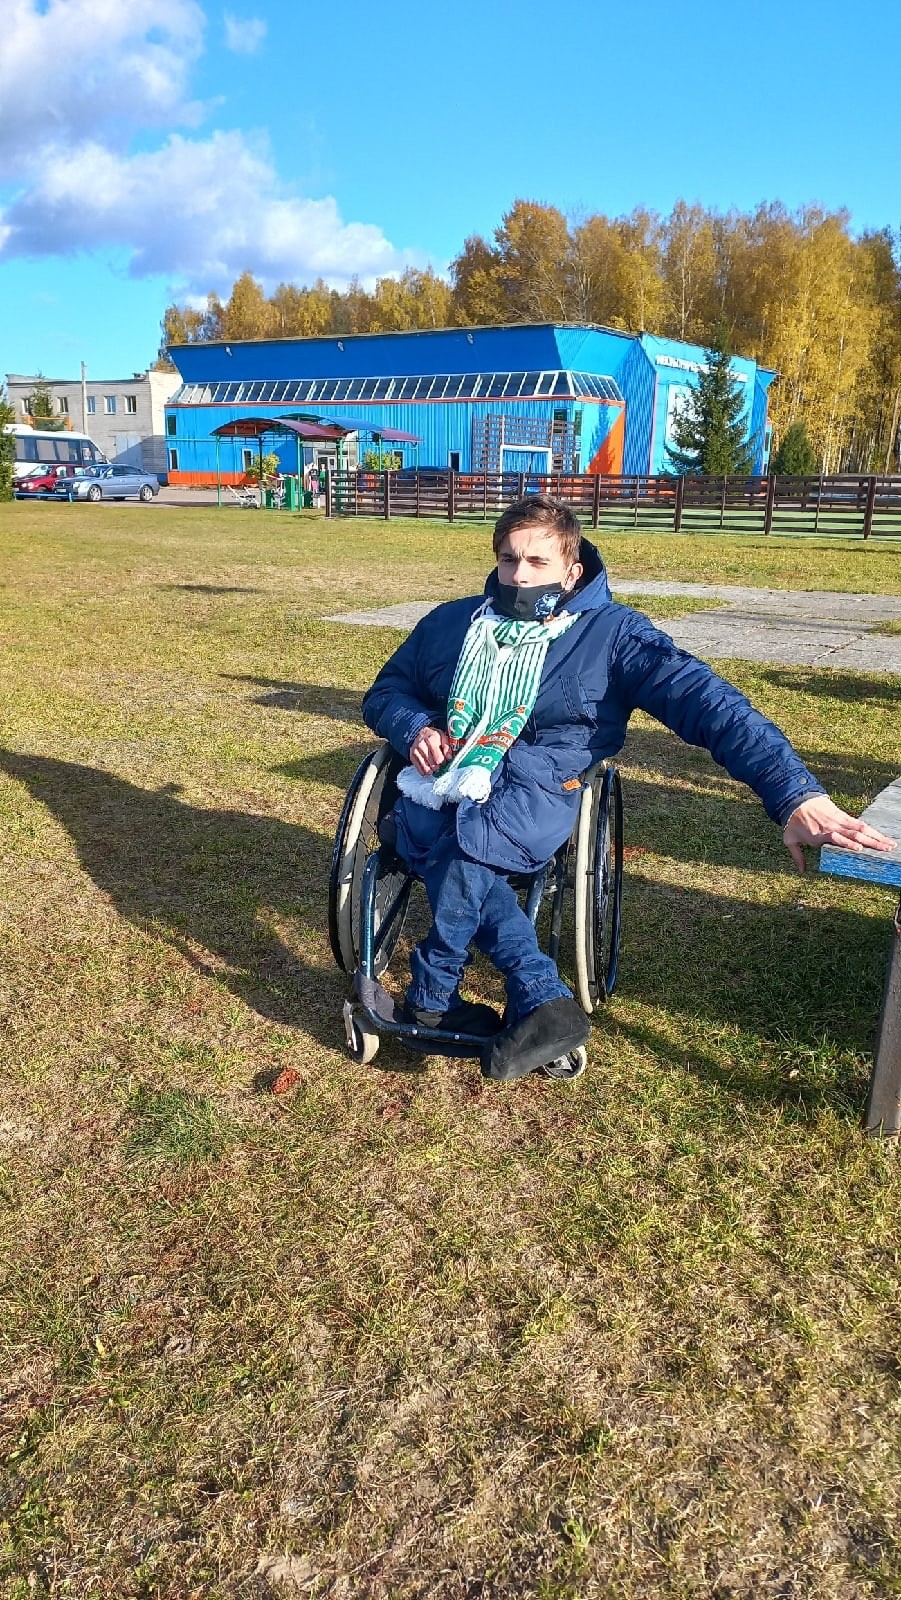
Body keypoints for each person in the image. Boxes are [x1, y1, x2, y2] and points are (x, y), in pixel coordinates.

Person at [361, 496, 896, 1082]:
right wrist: (415, 727)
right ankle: (533, 998)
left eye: (537, 562)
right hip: (442, 779)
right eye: (509, 559)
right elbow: (386, 692)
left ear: (572, 571)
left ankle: (439, 997)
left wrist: (793, 794)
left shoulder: (613, 634)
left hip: (537, 789)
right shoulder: (452, 623)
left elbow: (708, 703)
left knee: (466, 844)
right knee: (436, 833)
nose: (519, 576)